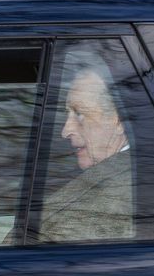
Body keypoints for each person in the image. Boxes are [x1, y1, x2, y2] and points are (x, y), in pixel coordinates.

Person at [36, 62, 133, 243]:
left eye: (79, 113)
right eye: (68, 114)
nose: (65, 131)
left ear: (119, 121)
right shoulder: (111, 176)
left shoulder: (125, 193)